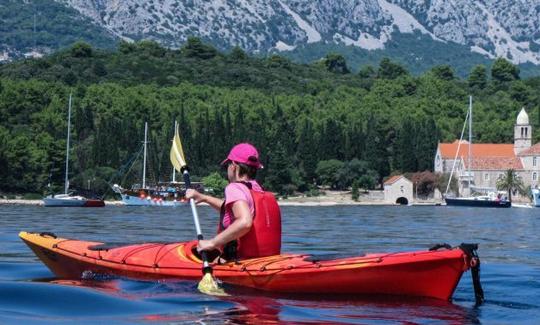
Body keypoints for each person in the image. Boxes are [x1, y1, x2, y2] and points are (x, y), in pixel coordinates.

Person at [186, 143, 281, 261]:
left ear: (234, 166)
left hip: (239, 261)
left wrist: (212, 243)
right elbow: (231, 209)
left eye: (228, 164)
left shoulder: (234, 188)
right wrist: (204, 198)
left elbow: (245, 222)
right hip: (266, 260)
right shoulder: (256, 189)